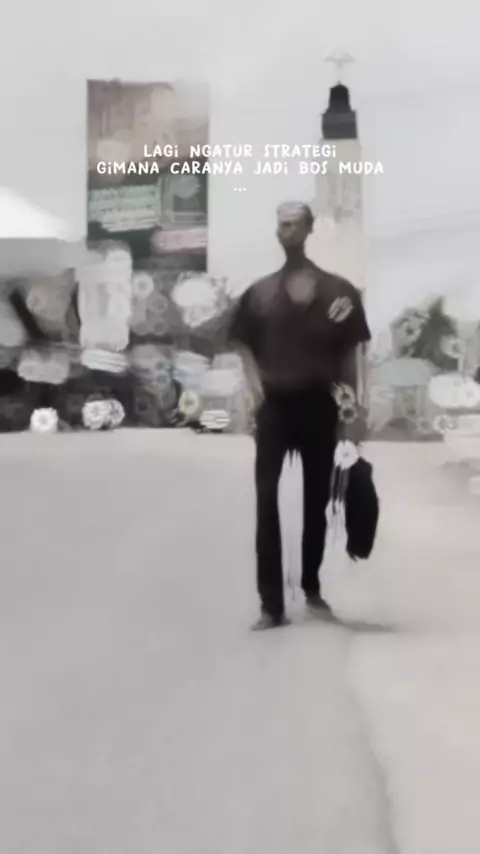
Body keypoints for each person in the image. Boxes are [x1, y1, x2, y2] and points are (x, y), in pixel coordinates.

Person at [229, 202, 371, 630]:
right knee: (266, 501)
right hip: (275, 408)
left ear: (309, 229)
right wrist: (253, 387)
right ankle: (271, 605)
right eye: (280, 224)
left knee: (317, 502)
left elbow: (352, 353)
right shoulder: (259, 294)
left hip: (320, 406)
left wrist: (356, 409)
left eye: (292, 224)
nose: (284, 231)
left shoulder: (339, 293)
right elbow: (242, 342)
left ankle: (311, 586)